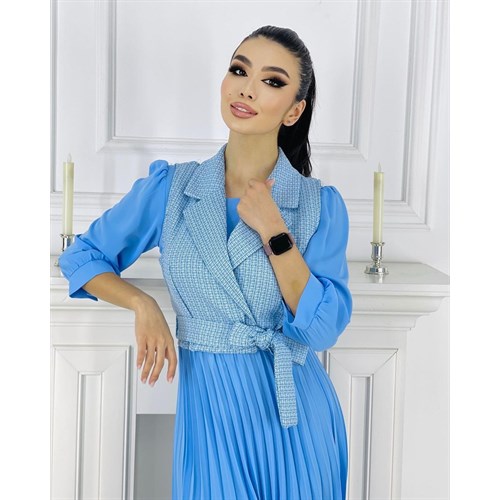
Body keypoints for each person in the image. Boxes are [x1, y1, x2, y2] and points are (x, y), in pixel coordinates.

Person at [59, 25, 353, 500]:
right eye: (239, 70)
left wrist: (275, 232)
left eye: (271, 81)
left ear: (294, 111)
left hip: (296, 420)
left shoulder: (319, 206)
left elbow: (322, 330)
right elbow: (82, 256)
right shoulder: (172, 190)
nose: (247, 88)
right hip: (211, 421)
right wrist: (143, 304)